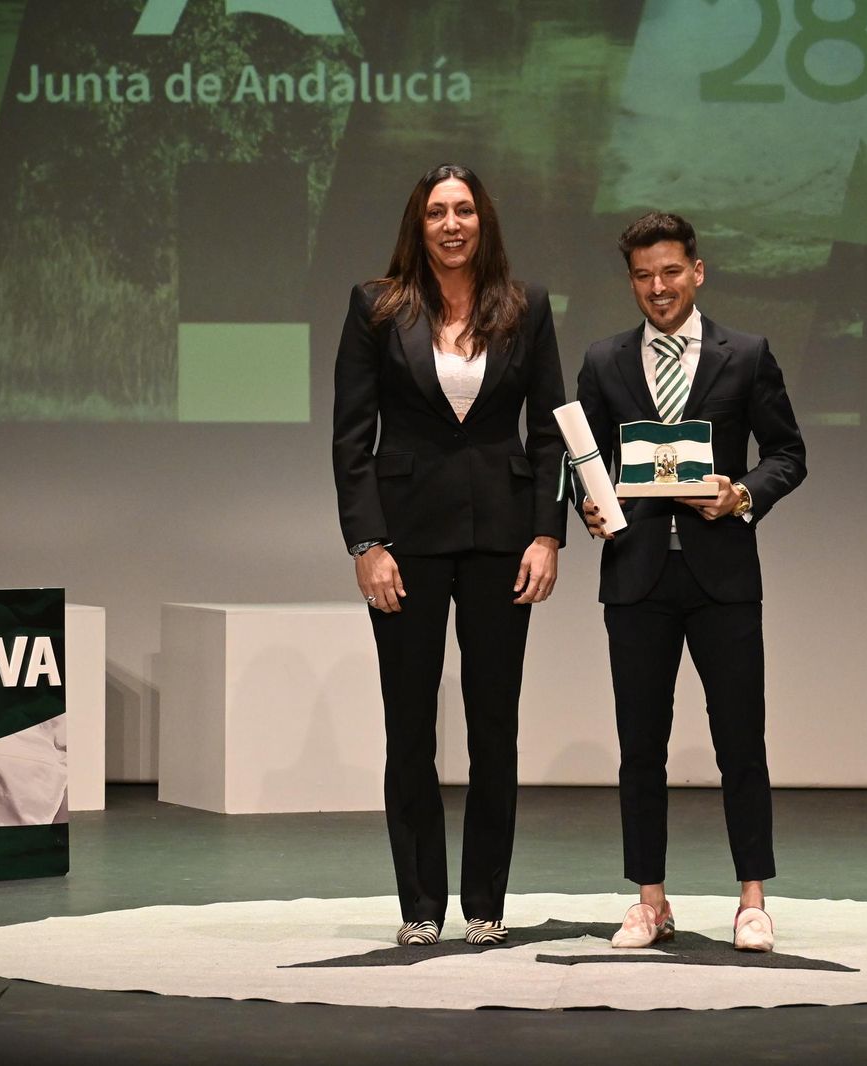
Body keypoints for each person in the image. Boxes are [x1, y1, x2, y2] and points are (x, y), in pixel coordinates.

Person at [332, 164, 567, 946]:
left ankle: (485, 905)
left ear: (483, 220)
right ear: (419, 224)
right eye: (437, 211)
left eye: (464, 209)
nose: (452, 223)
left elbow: (549, 432)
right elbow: (351, 437)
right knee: (409, 725)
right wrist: (367, 543)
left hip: (505, 539)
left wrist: (547, 533)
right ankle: (421, 906)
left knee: (493, 725)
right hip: (406, 542)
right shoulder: (377, 307)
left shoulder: (526, 307)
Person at [576, 212, 806, 952]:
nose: (659, 287)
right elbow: (582, 462)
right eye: (644, 276)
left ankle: (752, 900)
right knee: (640, 745)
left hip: (722, 576)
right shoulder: (604, 360)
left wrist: (741, 495)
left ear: (697, 272)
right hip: (636, 575)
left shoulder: (747, 354)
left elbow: (788, 453)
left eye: (671, 271)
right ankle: (650, 900)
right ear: (631, 282)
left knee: (740, 739)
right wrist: (586, 504)